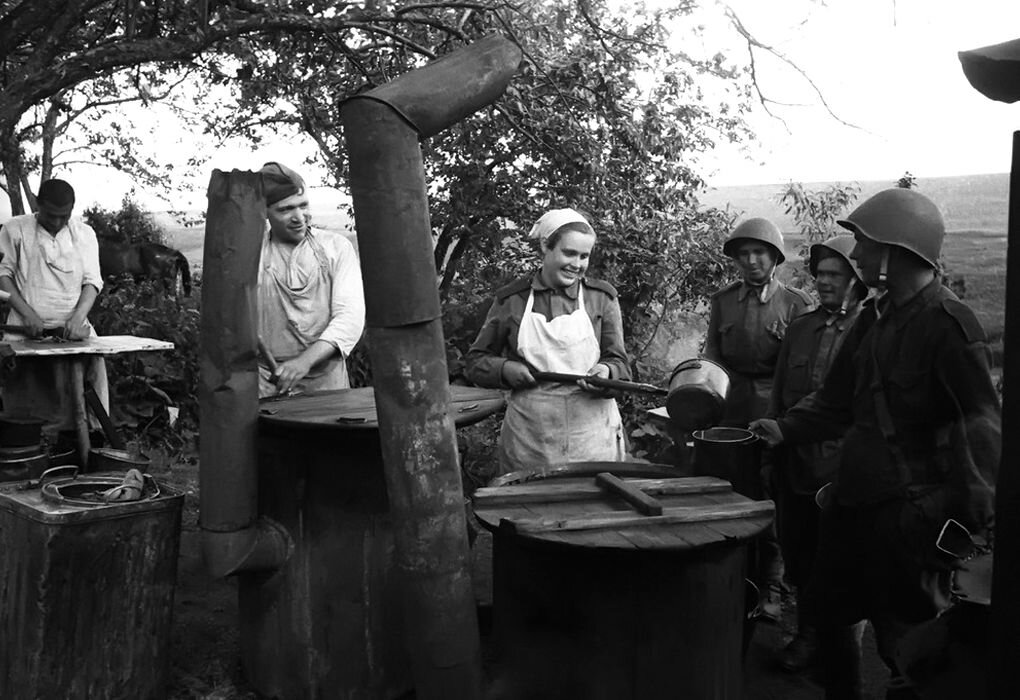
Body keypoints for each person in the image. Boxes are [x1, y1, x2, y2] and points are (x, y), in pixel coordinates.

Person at [751, 189, 1000, 699]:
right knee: (830, 620)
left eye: (864, 244)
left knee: (909, 650)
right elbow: (836, 400)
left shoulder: (950, 328)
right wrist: (785, 427)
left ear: (894, 253)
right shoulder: (875, 316)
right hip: (851, 507)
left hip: (908, 523)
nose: (856, 255)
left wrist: (947, 524)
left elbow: (981, 439)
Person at [703, 216, 813, 622]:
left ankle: (771, 586)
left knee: (770, 495)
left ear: (775, 258)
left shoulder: (796, 304)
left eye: (759, 253)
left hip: (774, 409)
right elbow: (712, 355)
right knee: (729, 489)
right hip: (731, 407)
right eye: (743, 254)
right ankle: (730, 580)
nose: (750, 261)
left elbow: (803, 367)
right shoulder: (723, 301)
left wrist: (786, 418)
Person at [464, 208, 629, 475]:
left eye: (584, 256)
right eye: (569, 253)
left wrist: (607, 372)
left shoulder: (602, 298)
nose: (577, 264)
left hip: (593, 437)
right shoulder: (512, 301)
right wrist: (505, 369)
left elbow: (620, 362)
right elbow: (476, 362)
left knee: (595, 510)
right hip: (531, 439)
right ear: (545, 246)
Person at [766, 235, 867, 673]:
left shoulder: (871, 329)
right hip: (797, 462)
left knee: (846, 563)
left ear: (856, 279)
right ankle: (807, 636)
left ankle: (843, 650)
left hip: (846, 467)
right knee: (801, 553)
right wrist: (775, 449)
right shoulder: (802, 327)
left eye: (834, 275)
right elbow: (779, 396)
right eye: (820, 274)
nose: (824, 282)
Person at [0, 178, 109, 441]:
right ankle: (25, 450)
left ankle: (83, 447)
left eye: (65, 216)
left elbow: (92, 281)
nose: (58, 222)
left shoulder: (84, 234)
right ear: (38, 204)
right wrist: (27, 313)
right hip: (24, 332)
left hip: (74, 332)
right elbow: (3, 275)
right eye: (51, 215)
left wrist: (78, 318)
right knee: (24, 401)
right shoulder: (15, 229)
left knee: (85, 391)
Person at [257, 162, 365, 397]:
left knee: (326, 432)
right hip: (267, 383)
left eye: (303, 205)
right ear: (265, 212)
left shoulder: (336, 248)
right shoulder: (252, 256)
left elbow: (350, 317)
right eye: (285, 209)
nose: (299, 217)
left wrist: (303, 362)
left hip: (326, 383)